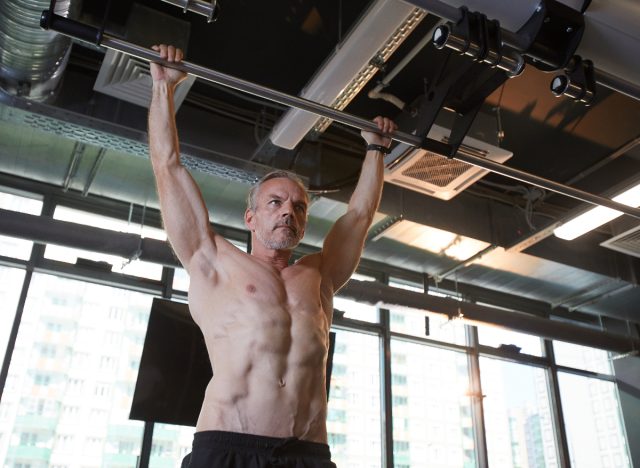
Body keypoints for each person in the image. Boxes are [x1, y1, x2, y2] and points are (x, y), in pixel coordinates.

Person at [148, 44, 397, 468]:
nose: (288, 211)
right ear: (250, 217)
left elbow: (358, 216)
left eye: (299, 206)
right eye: (276, 202)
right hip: (226, 448)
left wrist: (376, 150)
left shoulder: (320, 275)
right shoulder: (211, 261)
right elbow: (167, 166)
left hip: (307, 453)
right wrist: (163, 87)